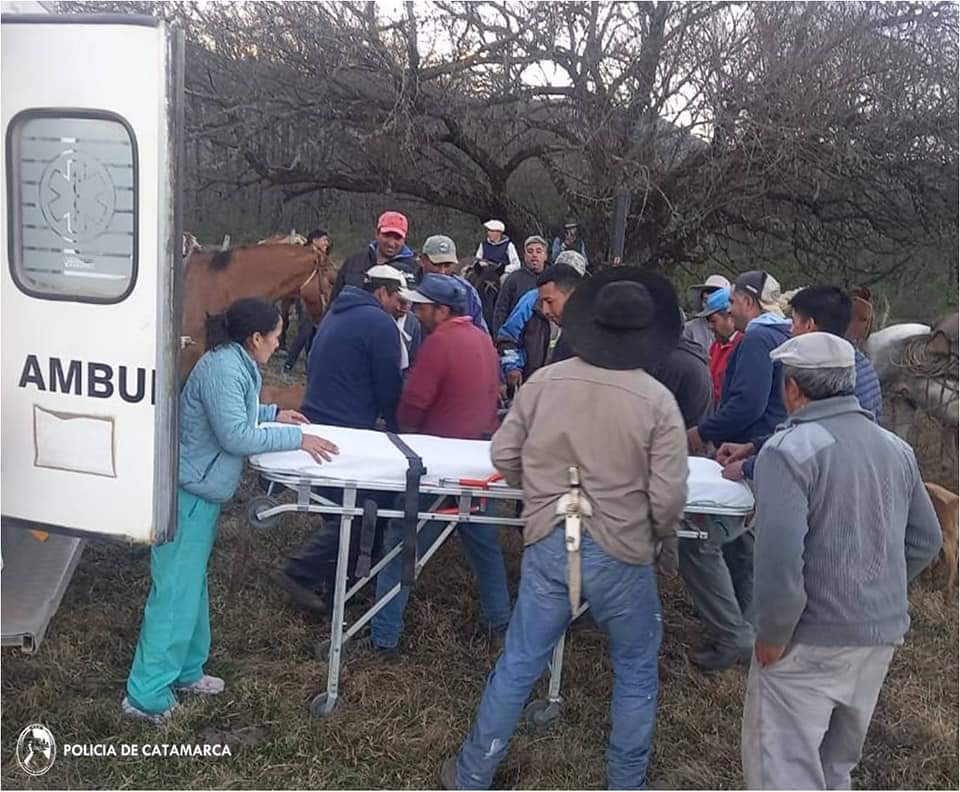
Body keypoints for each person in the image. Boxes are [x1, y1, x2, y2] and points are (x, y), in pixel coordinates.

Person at [440, 267, 689, 791]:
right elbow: (667, 499)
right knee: (636, 667)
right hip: (622, 550)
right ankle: (626, 782)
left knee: (520, 660)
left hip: (553, 537)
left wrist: (542, 489)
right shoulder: (657, 402)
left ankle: (472, 774)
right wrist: (655, 536)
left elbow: (504, 454)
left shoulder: (545, 382)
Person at [742, 332, 942, 790]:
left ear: (793, 388)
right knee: (835, 769)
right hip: (879, 636)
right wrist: (874, 589)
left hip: (807, 642)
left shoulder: (788, 450)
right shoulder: (896, 448)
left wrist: (773, 633)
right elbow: (925, 540)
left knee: (785, 772)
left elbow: (779, 556)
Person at [124, 298, 338, 723]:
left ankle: (185, 670)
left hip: (200, 493)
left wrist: (274, 414)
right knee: (174, 593)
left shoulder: (235, 363)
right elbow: (236, 436)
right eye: (276, 336)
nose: (279, 345)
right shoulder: (224, 368)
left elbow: (234, 413)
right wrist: (296, 440)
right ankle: (144, 695)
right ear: (255, 337)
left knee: (190, 587)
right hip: (187, 495)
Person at [356, 274, 509, 659]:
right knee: (483, 545)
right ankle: (499, 621)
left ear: (442, 311)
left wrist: (404, 432)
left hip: (438, 467)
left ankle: (383, 636)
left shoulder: (440, 342)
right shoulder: (482, 340)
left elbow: (414, 403)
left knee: (402, 545)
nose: (417, 312)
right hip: (477, 464)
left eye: (423, 307)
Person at [272, 265, 406, 613]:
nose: (401, 307)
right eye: (397, 299)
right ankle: (300, 572)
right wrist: (399, 429)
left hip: (321, 417)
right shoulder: (379, 324)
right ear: (382, 293)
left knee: (339, 512)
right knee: (361, 512)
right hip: (346, 429)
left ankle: (333, 590)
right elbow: (389, 385)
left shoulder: (338, 313)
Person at [682, 270, 791, 672]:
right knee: (742, 544)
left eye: (733, 303)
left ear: (747, 301)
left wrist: (700, 433)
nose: (728, 310)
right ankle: (746, 621)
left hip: (749, 460)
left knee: (697, 541)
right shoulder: (783, 334)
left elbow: (747, 404)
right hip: (765, 451)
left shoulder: (759, 338)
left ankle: (732, 636)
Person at [718, 285, 884, 482]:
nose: (790, 329)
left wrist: (748, 467)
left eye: (794, 321)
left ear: (809, 325)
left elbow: (812, 446)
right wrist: (756, 446)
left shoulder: (826, 372)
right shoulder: (858, 363)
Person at [496, 252, 585, 390]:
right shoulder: (530, 301)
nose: (545, 310)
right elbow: (508, 337)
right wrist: (512, 367)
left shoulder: (588, 322)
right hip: (530, 385)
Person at [330, 211, 418, 301]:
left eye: (397, 238)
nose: (391, 243)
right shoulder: (354, 262)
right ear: (377, 233)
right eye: (387, 236)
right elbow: (334, 301)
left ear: (404, 239)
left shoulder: (413, 269)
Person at [283, 229, 331, 373]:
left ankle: (309, 366)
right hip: (305, 298)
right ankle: (288, 365)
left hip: (316, 297)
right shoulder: (306, 256)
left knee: (313, 332)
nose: (327, 243)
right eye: (324, 240)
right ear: (314, 240)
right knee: (305, 332)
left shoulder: (320, 256)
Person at [420, 234, 489, 333]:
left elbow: (481, 331)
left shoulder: (467, 291)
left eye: (447, 265)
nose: (442, 271)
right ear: (423, 260)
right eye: (436, 264)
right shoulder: (411, 286)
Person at [491, 235, 549, 334]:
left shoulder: (553, 278)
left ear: (545, 256)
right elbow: (501, 311)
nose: (534, 255)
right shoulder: (513, 279)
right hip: (518, 339)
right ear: (524, 255)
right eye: (530, 251)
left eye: (538, 251)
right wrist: (500, 340)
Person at [697, 288, 742, 407]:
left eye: (713, 321)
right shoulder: (715, 347)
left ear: (729, 316)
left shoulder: (743, 347)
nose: (710, 327)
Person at [682, 274, 731, 353]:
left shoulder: (740, 333)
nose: (708, 295)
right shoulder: (689, 329)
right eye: (706, 292)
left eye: (714, 292)